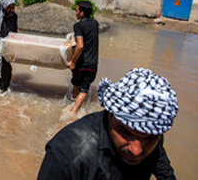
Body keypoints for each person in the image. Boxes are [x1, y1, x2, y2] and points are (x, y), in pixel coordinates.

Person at [38, 68, 179, 180]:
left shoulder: (151, 134)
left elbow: (165, 173)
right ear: (110, 114)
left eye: (148, 138)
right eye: (126, 133)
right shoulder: (67, 154)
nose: (136, 150)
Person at [68, 0, 99, 114]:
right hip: (93, 65)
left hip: (81, 64)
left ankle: (73, 111)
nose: (75, 12)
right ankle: (76, 108)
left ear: (82, 13)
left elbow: (80, 46)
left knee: (76, 85)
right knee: (84, 89)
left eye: (76, 10)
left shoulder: (78, 26)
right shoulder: (95, 24)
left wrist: (72, 62)